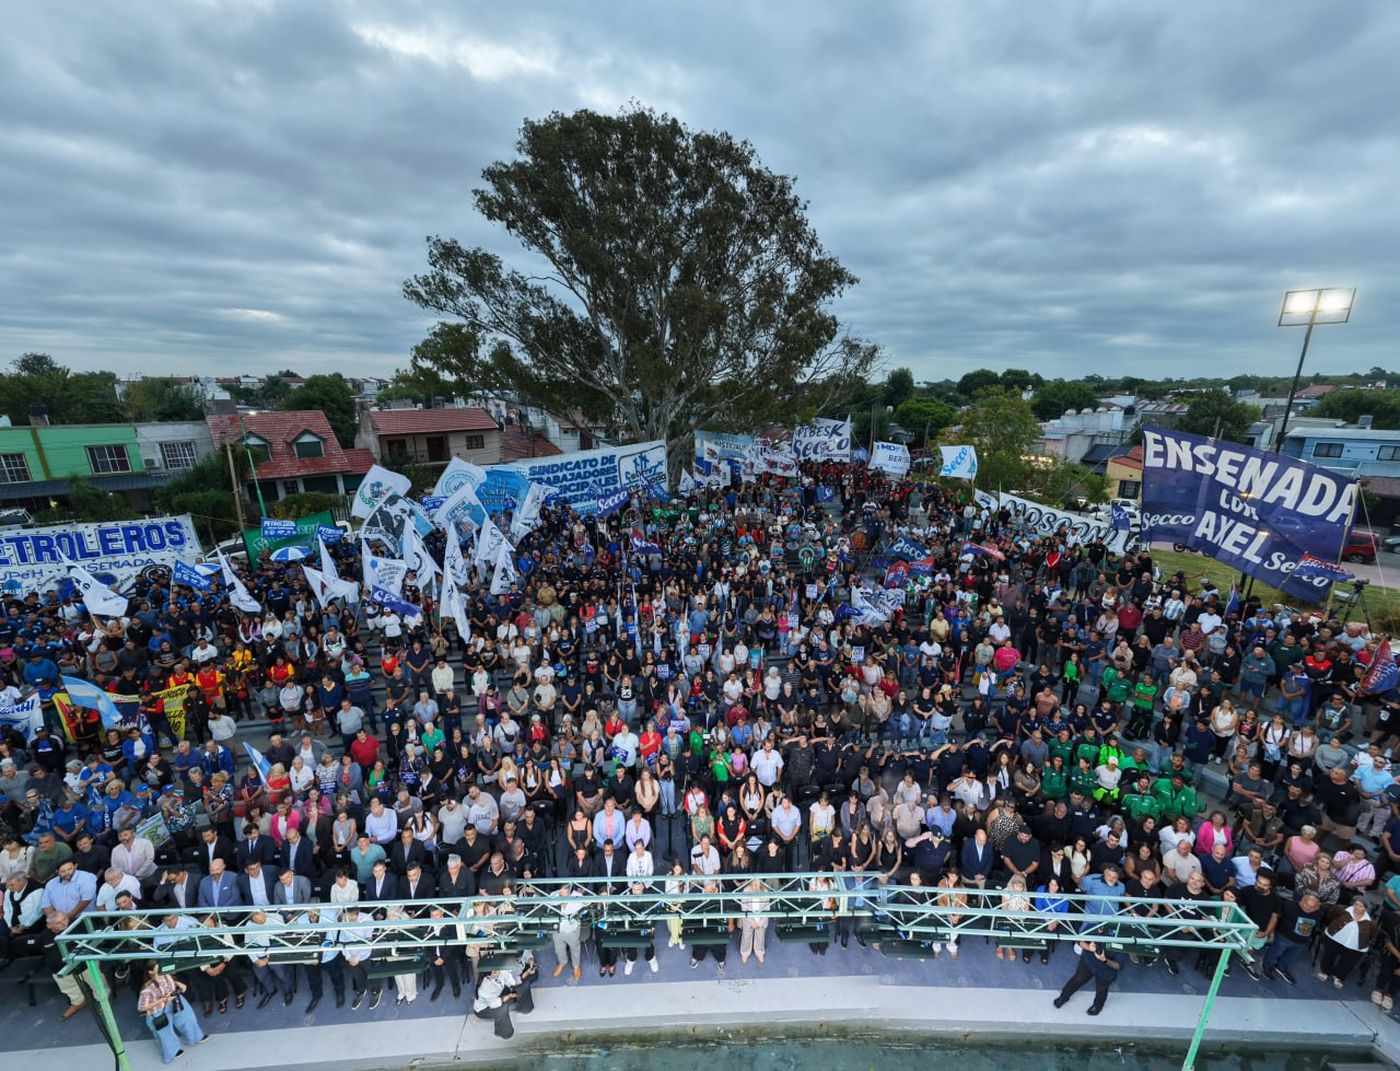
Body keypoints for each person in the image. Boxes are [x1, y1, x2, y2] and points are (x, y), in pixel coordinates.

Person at [137, 964, 207, 1063]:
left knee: (187, 1018)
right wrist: (163, 1000)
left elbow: (170, 983)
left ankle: (194, 1037)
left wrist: (178, 984)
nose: (162, 968)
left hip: (175, 1000)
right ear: (151, 972)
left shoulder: (167, 975)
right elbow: (142, 1008)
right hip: (158, 1011)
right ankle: (172, 1052)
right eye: (158, 967)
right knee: (165, 1032)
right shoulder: (147, 989)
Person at [1052, 938, 1122, 1015]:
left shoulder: (1125, 938)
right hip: (1089, 960)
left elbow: (1118, 966)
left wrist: (1104, 960)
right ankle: (1063, 996)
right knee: (1078, 979)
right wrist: (1088, 947)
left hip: (1106, 970)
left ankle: (1097, 1006)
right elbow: (1081, 941)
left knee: (1101, 988)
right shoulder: (1095, 926)